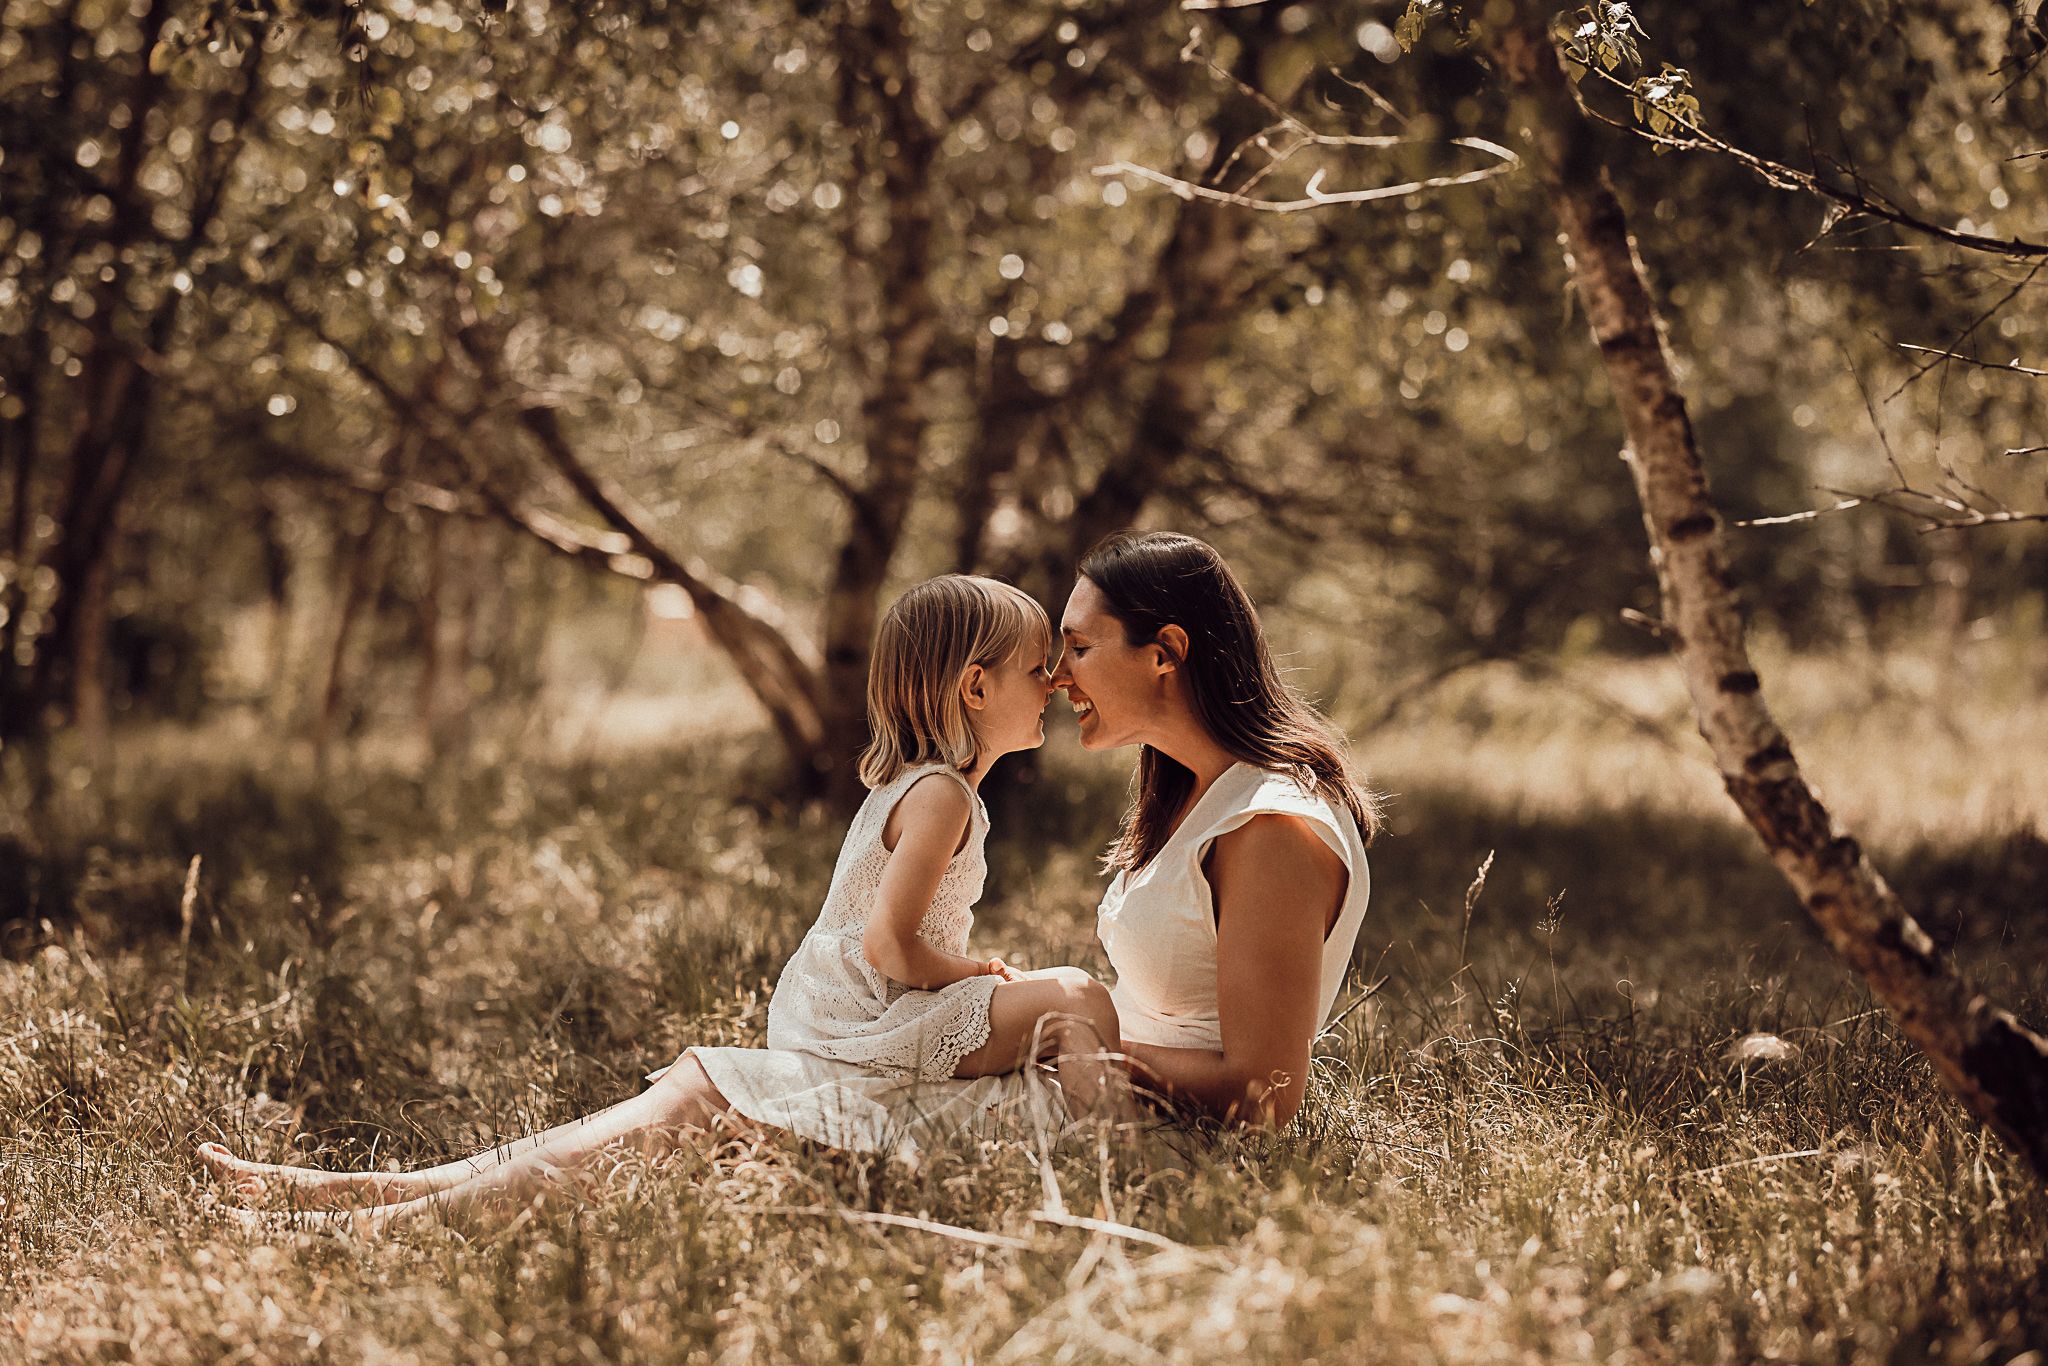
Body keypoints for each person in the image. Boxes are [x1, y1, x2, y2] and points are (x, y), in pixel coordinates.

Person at [199, 575, 1126, 1231]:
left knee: (1063, 998)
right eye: (1041, 666)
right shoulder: (943, 796)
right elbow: (892, 945)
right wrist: (974, 970)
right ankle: (1109, 1179)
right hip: (863, 1010)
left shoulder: (927, 785)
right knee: (1072, 994)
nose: (1054, 684)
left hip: (839, 1000)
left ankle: (337, 1194)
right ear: (975, 685)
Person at [1050, 530, 1377, 1127]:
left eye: (1078, 647)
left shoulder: (1273, 826)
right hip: (1096, 1095)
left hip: (1156, 1134)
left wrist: (1069, 1043)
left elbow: (1264, 1096)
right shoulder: (1190, 792)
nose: (1056, 676)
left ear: (1165, 651)